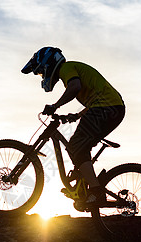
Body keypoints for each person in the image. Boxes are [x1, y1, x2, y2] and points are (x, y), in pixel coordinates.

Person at [21, 46, 125, 206]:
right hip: (110, 108)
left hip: (107, 108)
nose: (42, 76)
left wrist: (56, 106)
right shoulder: (70, 71)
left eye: (41, 72)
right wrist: (76, 116)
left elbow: (75, 88)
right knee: (77, 147)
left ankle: (96, 192)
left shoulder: (66, 68)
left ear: (48, 63)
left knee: (76, 145)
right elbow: (94, 97)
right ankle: (85, 187)